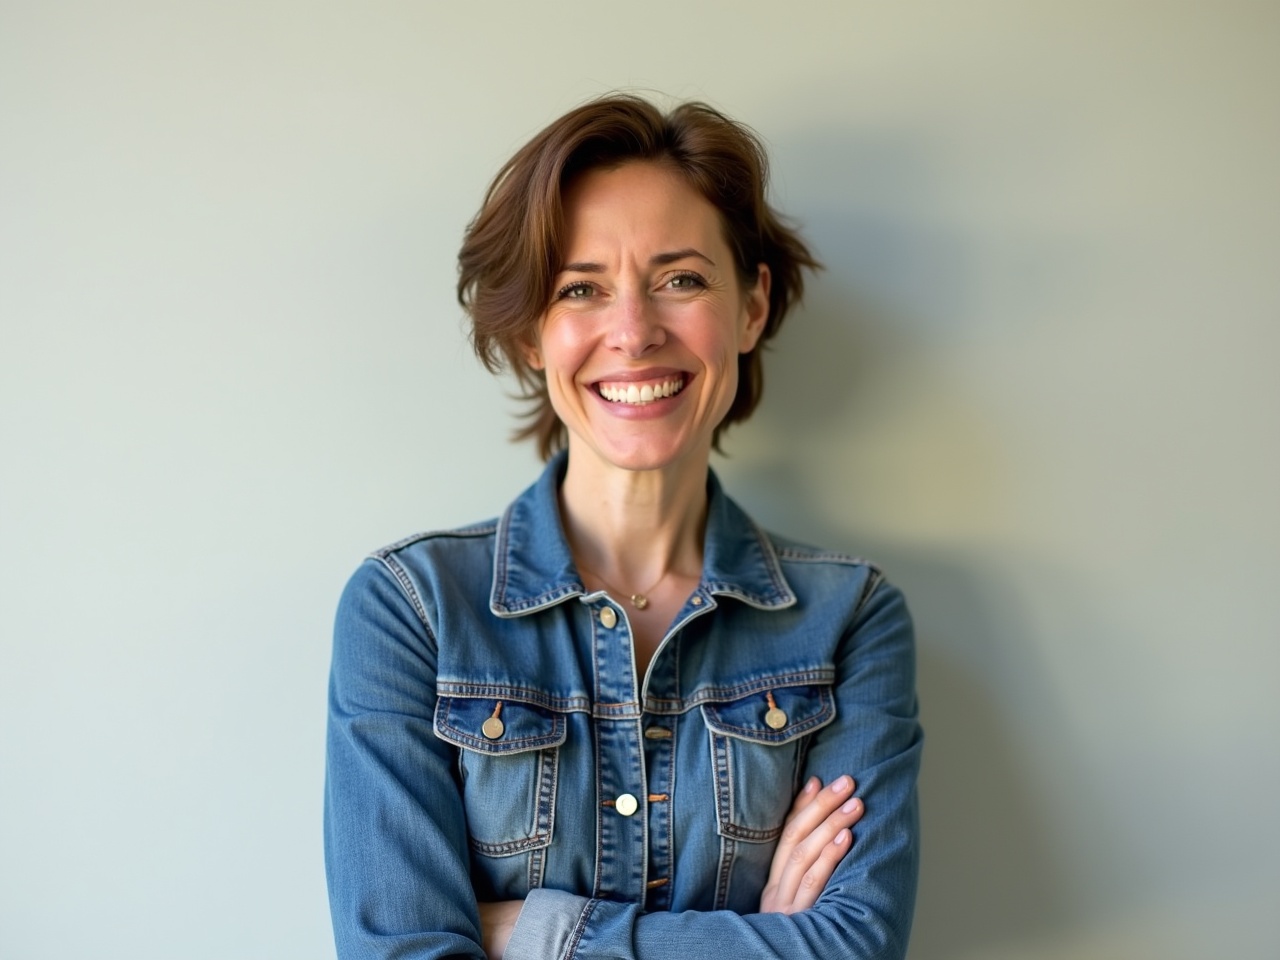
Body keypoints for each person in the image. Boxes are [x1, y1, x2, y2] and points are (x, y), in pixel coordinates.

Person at [324, 94, 922, 960]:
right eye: (581, 289)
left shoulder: (851, 619)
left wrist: (540, 935)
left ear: (751, 307)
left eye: (681, 279)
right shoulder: (410, 612)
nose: (635, 333)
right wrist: (769, 939)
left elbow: (855, 949)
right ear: (532, 330)